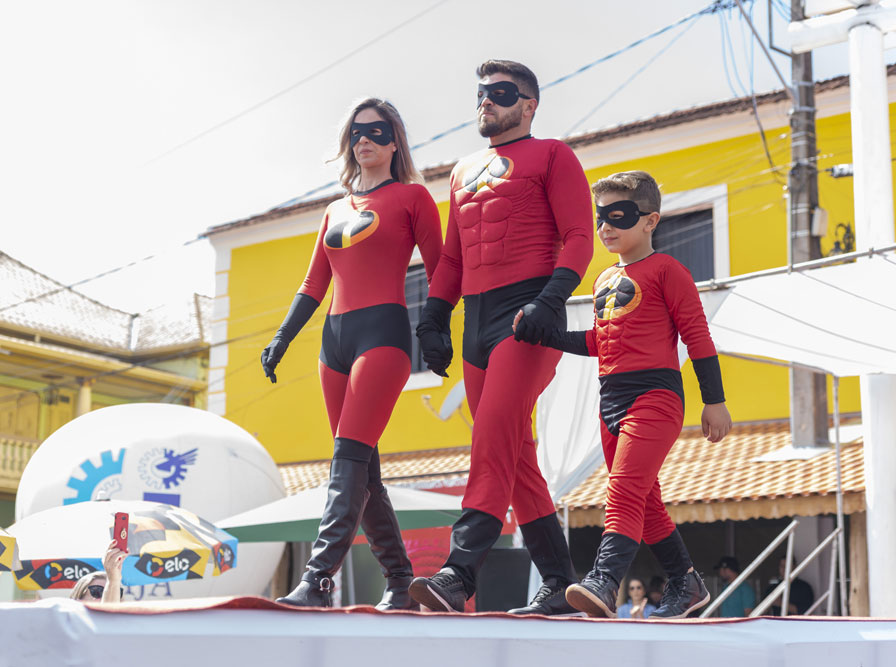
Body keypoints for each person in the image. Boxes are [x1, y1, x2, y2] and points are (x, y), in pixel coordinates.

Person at [410, 59, 594, 615]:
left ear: (529, 104)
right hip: (476, 321)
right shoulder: (462, 171)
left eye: (501, 93)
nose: (486, 100)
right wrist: (433, 318)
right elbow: (453, 258)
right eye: (482, 93)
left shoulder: (554, 155)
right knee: (515, 458)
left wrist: (549, 301)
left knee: (491, 439)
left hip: (528, 316)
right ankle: (560, 584)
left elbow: (579, 238)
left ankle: (458, 572)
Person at [263, 98, 442, 610]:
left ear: (395, 141)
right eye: (357, 132)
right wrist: (282, 337)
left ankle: (319, 579)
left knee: (346, 462)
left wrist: (436, 329)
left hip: (382, 338)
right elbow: (313, 283)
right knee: (363, 471)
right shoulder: (334, 209)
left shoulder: (412, 197)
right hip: (333, 345)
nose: (365, 139)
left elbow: (440, 268)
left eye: (377, 131)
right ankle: (401, 582)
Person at [544, 170, 732, 619]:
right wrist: (548, 335)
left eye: (619, 216)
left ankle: (605, 580)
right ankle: (687, 584)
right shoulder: (603, 278)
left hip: (655, 394)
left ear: (650, 220)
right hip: (610, 398)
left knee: (624, 489)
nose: (605, 226)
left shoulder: (669, 270)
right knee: (644, 502)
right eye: (600, 217)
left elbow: (697, 336)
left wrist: (714, 400)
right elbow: (601, 340)